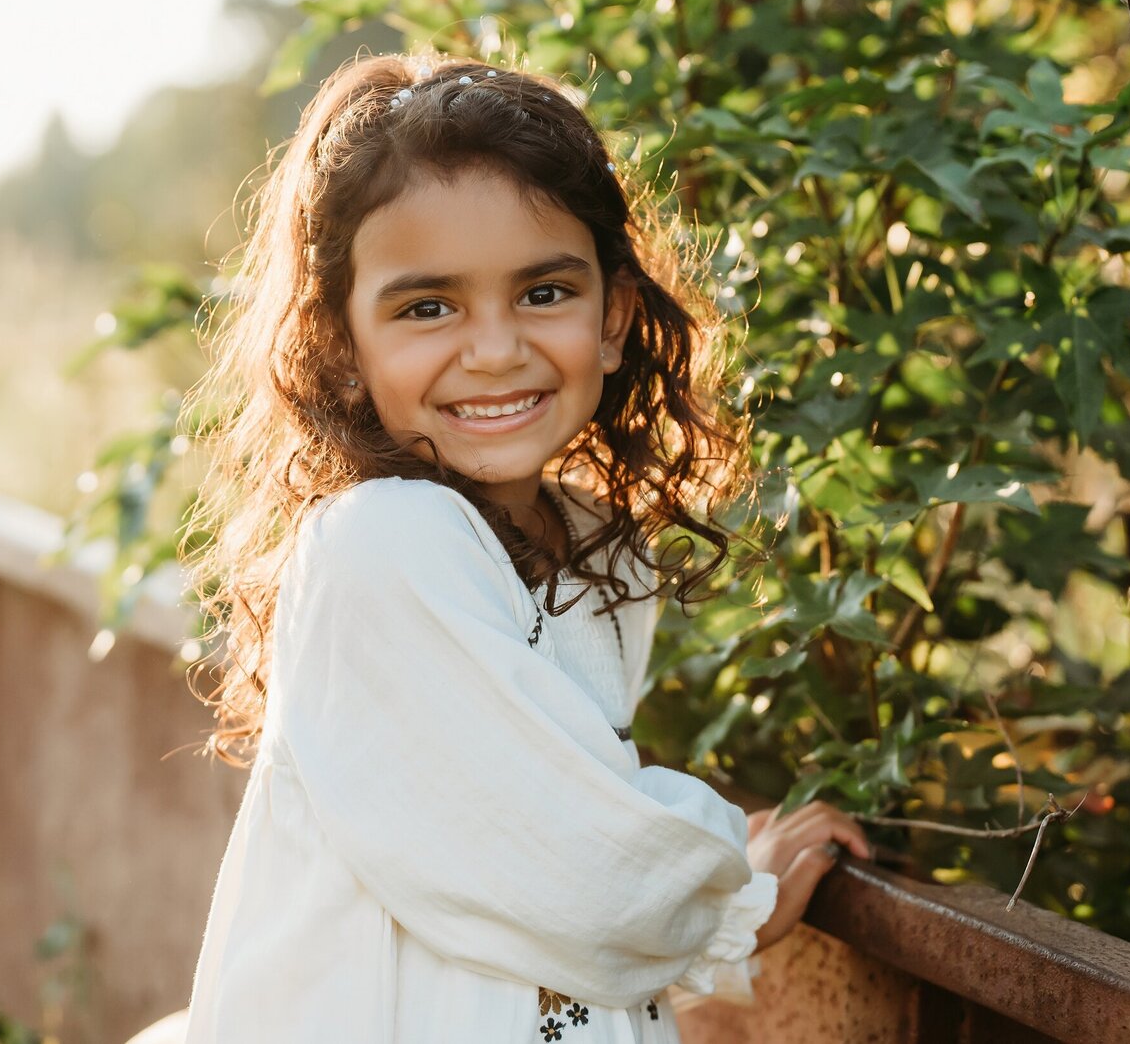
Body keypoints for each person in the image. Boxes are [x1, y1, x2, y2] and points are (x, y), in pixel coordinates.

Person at [176, 52, 871, 1043]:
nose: (496, 349)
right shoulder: (383, 541)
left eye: (543, 292)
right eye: (427, 307)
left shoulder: (593, 550)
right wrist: (732, 887)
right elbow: (577, 865)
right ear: (340, 343)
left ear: (613, 317)